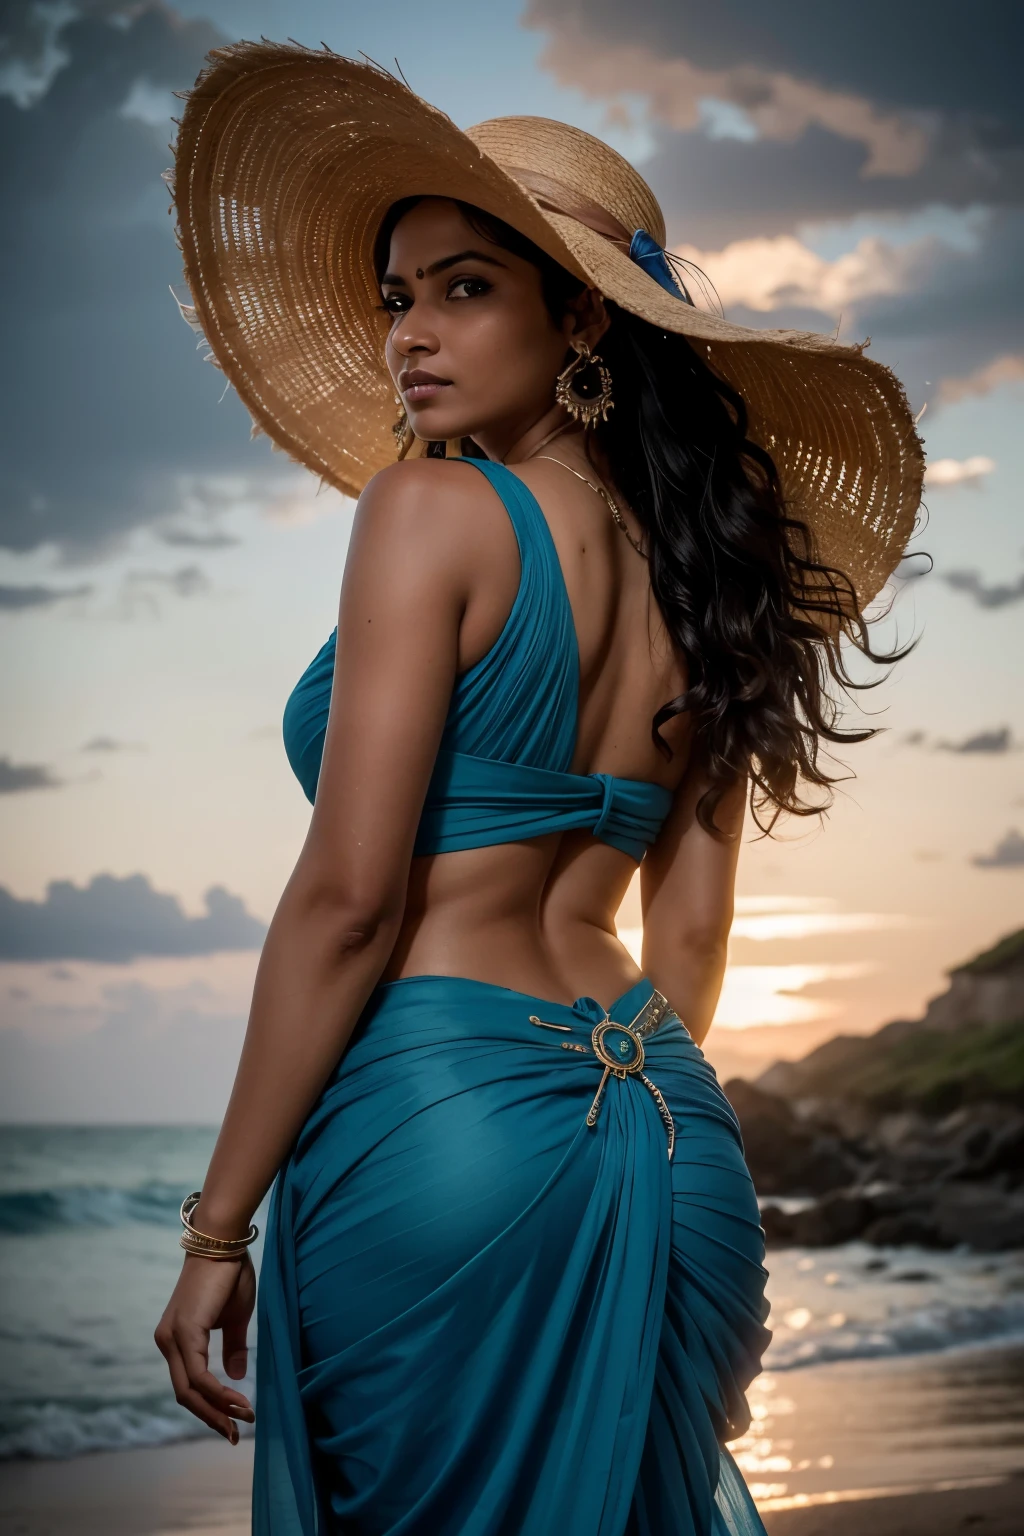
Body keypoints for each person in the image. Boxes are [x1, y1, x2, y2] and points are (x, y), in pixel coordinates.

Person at [154, 42, 923, 1536]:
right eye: (397, 299)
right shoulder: (718, 589)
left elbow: (350, 900)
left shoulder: (430, 508)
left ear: (581, 315)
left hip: (438, 1125)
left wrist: (216, 1224)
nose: (409, 337)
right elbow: (688, 951)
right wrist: (594, 1125)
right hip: (670, 1140)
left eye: (462, 287)